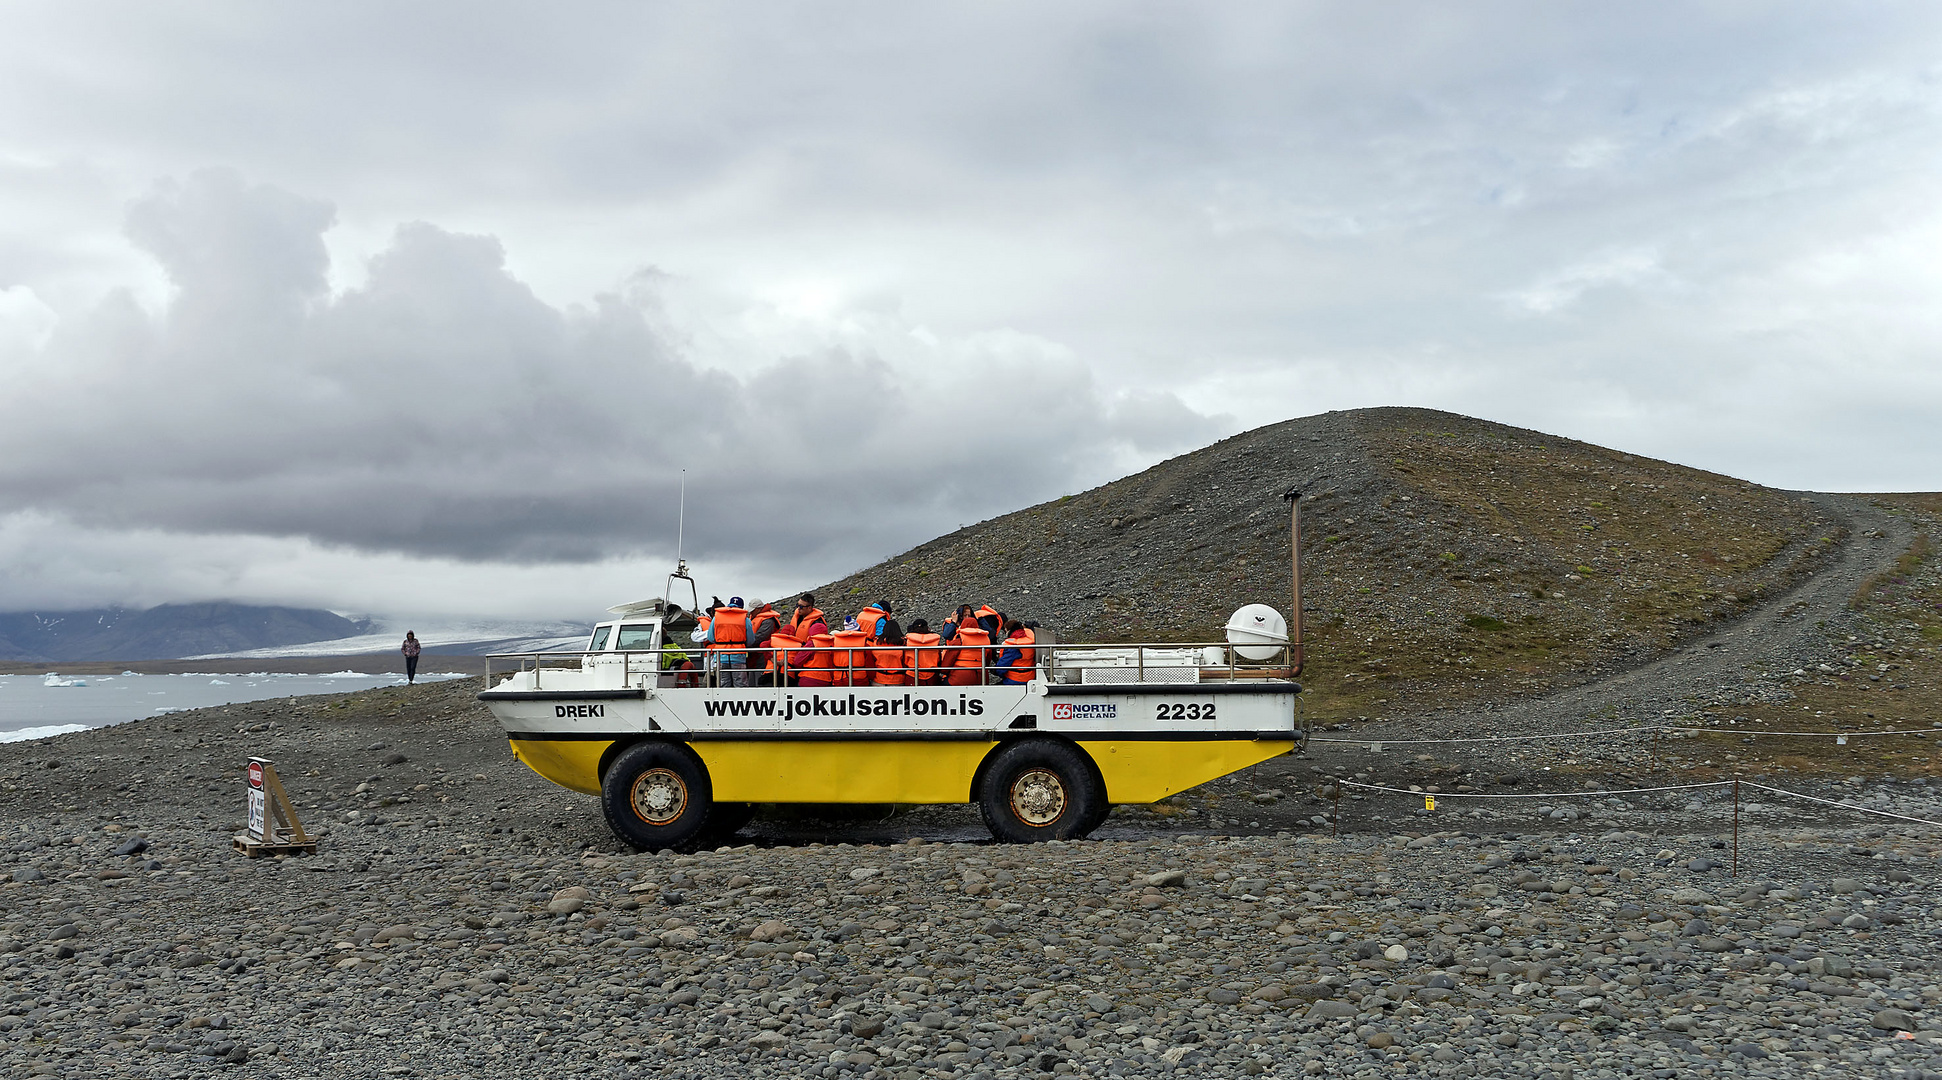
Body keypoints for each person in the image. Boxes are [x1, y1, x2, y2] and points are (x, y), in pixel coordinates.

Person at [711, 596, 751, 688]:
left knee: (723, 683)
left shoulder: (716, 618)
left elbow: (711, 637)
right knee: (740, 684)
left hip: (721, 656)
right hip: (738, 656)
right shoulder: (745, 619)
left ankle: (722, 701)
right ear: (741, 607)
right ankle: (741, 701)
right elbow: (750, 639)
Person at [746, 599, 781, 687]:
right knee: (752, 678)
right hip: (753, 654)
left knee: (759, 678)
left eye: (752, 611)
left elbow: (761, 636)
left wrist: (745, 644)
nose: (751, 613)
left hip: (762, 655)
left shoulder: (768, 620)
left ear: (758, 609)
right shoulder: (757, 618)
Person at [871, 619, 912, 686]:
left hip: (879, 679)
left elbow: (872, 660)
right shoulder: (903, 643)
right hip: (898, 680)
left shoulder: (876, 643)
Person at [995, 619, 1037, 685]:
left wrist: (996, 671)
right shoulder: (1029, 642)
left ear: (1009, 631)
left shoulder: (1013, 646)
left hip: (1015, 679)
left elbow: (1002, 667)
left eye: (1006, 631)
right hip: (1029, 678)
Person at [905, 619, 944, 686]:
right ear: (927, 628)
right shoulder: (935, 641)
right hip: (931, 675)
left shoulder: (908, 641)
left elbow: (904, 659)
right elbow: (939, 658)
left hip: (912, 675)